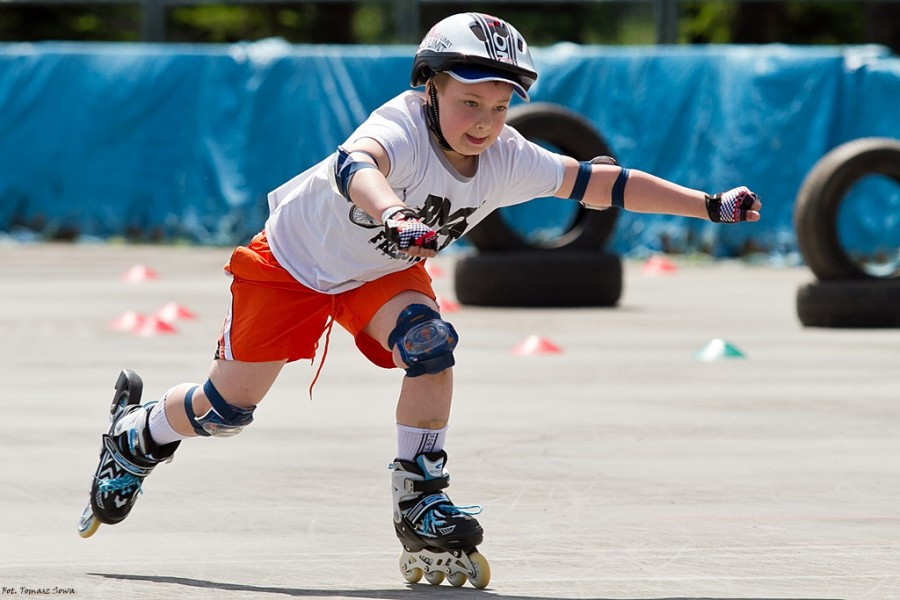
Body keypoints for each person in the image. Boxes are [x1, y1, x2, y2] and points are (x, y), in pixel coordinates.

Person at [78, 12, 761, 588]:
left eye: (500, 107)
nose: (485, 123)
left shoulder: (507, 156)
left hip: (378, 275)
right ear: (429, 89)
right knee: (226, 411)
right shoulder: (401, 125)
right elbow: (356, 168)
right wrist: (396, 213)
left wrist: (707, 204)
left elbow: (600, 184)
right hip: (291, 266)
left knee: (430, 345)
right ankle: (135, 436)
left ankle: (421, 496)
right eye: (470, 102)